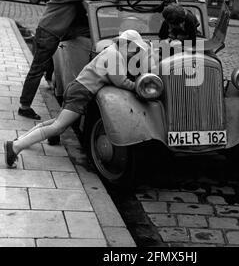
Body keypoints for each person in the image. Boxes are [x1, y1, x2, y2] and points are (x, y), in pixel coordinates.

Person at [4, 30, 150, 168]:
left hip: (77, 88)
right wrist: (138, 86)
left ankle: (20, 140)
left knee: (56, 123)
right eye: (134, 48)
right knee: (58, 126)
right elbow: (120, 81)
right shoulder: (115, 56)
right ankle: (15, 147)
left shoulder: (112, 50)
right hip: (81, 92)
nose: (134, 52)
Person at [18, 0, 101, 121]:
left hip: (52, 32)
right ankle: (24, 107)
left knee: (38, 69)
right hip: (48, 34)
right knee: (36, 71)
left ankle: (38, 92)